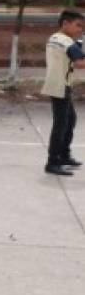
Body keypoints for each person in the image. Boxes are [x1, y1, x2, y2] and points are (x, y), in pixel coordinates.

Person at [41, 10, 85, 176]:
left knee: (70, 120)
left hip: (59, 84)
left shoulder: (55, 38)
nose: (81, 29)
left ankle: (64, 156)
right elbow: (80, 63)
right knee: (61, 124)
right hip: (60, 86)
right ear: (65, 23)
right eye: (78, 25)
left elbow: (76, 57)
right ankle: (53, 162)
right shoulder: (65, 41)